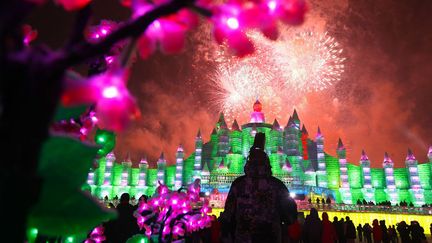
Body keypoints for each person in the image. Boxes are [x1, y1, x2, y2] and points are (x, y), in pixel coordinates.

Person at [219, 133, 297, 243]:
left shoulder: (238, 185)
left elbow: (227, 216)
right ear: (267, 163)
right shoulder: (276, 185)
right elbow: (291, 216)